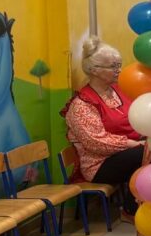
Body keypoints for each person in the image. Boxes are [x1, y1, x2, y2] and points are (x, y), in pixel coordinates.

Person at [61, 37, 144, 214]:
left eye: (119, 65)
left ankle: (138, 207)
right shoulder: (82, 105)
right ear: (95, 70)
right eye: (113, 66)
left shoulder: (119, 91)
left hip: (123, 154)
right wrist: (134, 144)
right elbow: (96, 142)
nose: (119, 70)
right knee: (146, 153)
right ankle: (131, 210)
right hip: (98, 165)